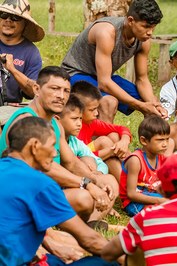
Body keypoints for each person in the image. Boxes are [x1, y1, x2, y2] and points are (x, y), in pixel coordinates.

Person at [0, 66, 115, 223]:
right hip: (21, 195)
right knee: (84, 198)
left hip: (48, 189)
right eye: (55, 89)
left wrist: (96, 180)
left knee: (108, 182)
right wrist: (86, 183)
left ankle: (90, 224)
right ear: (36, 89)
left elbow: (70, 161)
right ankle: (73, 228)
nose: (61, 96)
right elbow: (45, 168)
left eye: (66, 91)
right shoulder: (26, 121)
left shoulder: (55, 123)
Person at [0, 116, 118, 265]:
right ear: (35, 146)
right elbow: (89, 240)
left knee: (55, 259)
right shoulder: (39, 183)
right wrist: (125, 257)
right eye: (52, 146)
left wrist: (49, 244)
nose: (55, 154)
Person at [61, 0, 166, 123]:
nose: (150, 32)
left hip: (102, 76)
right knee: (109, 102)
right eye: (146, 27)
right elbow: (104, 83)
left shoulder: (144, 40)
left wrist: (153, 104)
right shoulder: (107, 32)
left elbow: (142, 79)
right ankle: (102, 141)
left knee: (148, 101)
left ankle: (153, 139)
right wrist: (139, 105)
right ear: (131, 21)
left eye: (153, 27)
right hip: (75, 74)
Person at [72, 81, 132, 182]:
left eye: (97, 108)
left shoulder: (91, 123)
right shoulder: (71, 127)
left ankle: (137, 173)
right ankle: (127, 187)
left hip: (91, 157)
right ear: (78, 109)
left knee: (114, 136)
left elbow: (121, 128)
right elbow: (73, 159)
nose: (96, 113)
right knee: (104, 141)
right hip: (81, 164)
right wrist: (109, 152)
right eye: (92, 110)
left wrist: (124, 141)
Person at [120, 115, 169, 217]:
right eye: (160, 140)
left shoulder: (160, 157)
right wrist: (159, 200)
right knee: (161, 213)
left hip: (153, 195)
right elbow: (131, 194)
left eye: (167, 139)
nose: (165, 144)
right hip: (134, 202)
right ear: (144, 141)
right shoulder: (136, 161)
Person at [0, 0, 44, 104]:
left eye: (15, 17)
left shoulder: (31, 53)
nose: (8, 20)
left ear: (25, 23)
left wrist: (12, 70)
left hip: (8, 108)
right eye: (4, 15)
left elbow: (33, 92)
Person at [58, 94, 109, 175]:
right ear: (58, 119)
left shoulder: (75, 142)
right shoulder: (51, 141)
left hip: (82, 180)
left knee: (90, 160)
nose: (79, 124)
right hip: (58, 182)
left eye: (80, 118)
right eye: (74, 119)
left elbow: (100, 162)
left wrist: (99, 173)